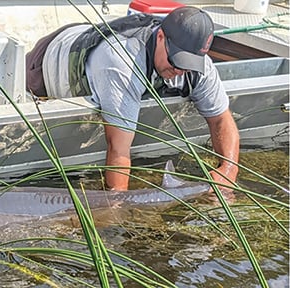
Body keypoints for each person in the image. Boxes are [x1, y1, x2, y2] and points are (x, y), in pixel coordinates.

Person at [26, 6, 239, 196]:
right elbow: (118, 149)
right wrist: (117, 210)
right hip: (52, 58)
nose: (180, 70)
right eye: (176, 61)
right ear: (161, 37)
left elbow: (221, 120)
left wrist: (228, 170)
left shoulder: (200, 67)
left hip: (99, 51)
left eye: (188, 65)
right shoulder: (121, 62)